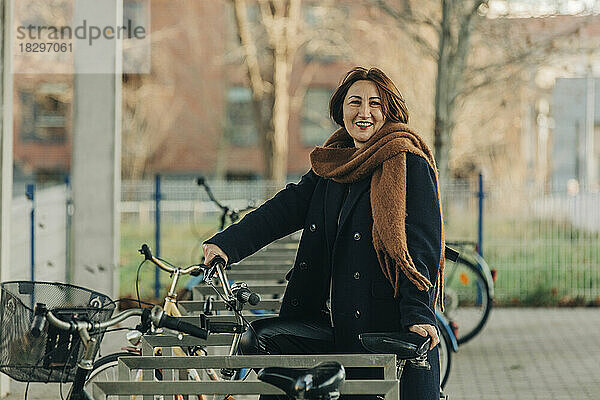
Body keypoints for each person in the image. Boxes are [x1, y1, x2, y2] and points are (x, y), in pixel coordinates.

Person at [202, 66, 445, 400]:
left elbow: (420, 250)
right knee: (267, 343)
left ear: (389, 111)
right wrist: (225, 246)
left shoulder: (407, 162)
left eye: (375, 103)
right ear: (340, 110)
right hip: (330, 319)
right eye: (354, 102)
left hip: (378, 323)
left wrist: (419, 314)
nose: (364, 112)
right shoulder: (332, 166)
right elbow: (283, 209)